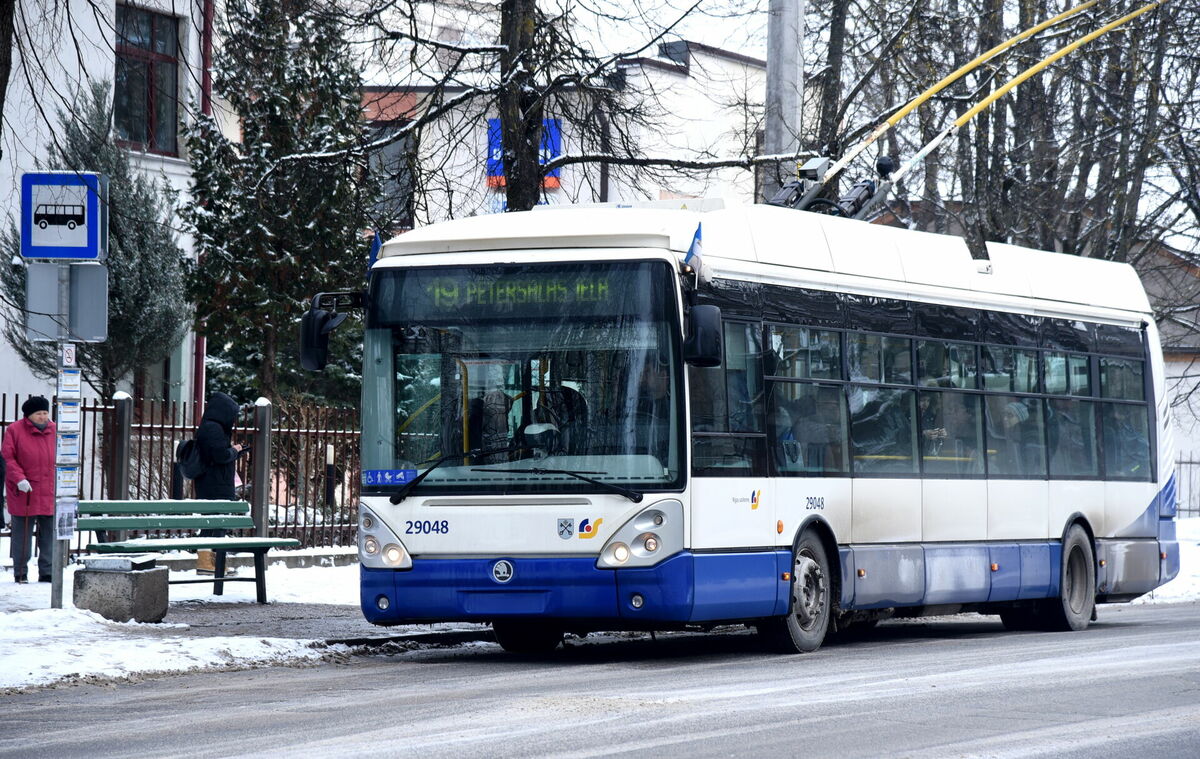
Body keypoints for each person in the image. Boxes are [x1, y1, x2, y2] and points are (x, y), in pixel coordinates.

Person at [2, 397, 56, 583]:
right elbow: (9, 458)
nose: (43, 417)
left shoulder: (55, 430)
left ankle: (47, 570)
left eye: (45, 413)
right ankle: (20, 571)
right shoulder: (15, 430)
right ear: (29, 416)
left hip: (48, 490)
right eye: (38, 414)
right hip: (24, 490)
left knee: (49, 534)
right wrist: (19, 479)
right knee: (22, 535)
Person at [193, 392, 245, 537]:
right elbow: (220, 456)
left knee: (214, 528)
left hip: (214, 484)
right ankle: (208, 560)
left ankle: (210, 559)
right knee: (214, 530)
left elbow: (216, 454)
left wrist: (235, 451)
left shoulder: (211, 427)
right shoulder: (213, 429)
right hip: (216, 486)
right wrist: (234, 451)